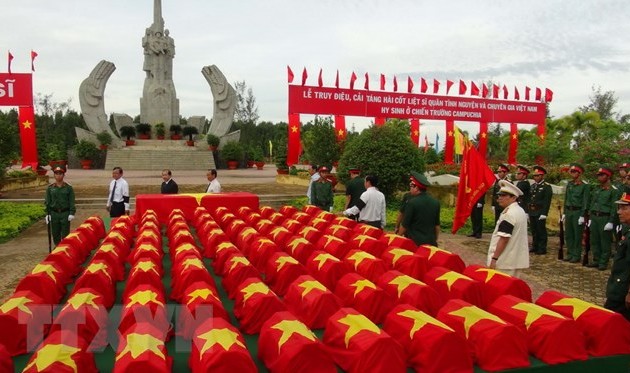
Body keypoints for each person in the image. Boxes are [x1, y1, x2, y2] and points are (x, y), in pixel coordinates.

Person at [487, 180, 529, 278]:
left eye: (504, 196)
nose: (499, 198)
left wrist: (494, 259)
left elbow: (504, 239)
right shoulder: (519, 210)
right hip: (514, 260)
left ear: (514, 197)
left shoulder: (509, 214)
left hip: (504, 261)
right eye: (499, 195)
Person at [587, 167, 620, 270]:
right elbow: (593, 202)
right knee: (594, 240)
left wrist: (611, 221)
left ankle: (603, 262)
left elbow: (614, 207)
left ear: (608, 176)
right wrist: (590, 216)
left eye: (602, 175)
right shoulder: (597, 188)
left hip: (604, 218)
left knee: (604, 241)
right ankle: (596, 260)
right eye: (598, 175)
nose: (599, 177)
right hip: (595, 216)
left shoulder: (613, 190)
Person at [604, 192, 630, 320]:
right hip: (618, 288)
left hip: (623, 293)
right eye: (619, 208)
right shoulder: (627, 230)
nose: (619, 212)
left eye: (624, 208)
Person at [399, 171, 440, 246]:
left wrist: (397, 238)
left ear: (416, 188)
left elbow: (405, 225)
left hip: (415, 243)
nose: (410, 189)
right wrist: (435, 239)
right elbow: (437, 225)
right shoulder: (435, 202)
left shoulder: (412, 203)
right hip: (431, 242)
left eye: (411, 187)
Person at [562, 163, 589, 263]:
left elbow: (585, 201)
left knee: (577, 234)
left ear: (579, 173)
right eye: (571, 171)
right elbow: (566, 198)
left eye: (574, 172)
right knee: (569, 234)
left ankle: (576, 255)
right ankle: (570, 253)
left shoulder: (584, 185)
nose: (572, 174)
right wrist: (564, 212)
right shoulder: (570, 184)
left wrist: (582, 215)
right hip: (569, 210)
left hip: (578, 211)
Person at [45, 166, 76, 246]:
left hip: (65, 213)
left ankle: (65, 249)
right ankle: (58, 249)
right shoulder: (50, 188)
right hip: (54, 213)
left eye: (60, 174)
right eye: (56, 174)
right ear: (54, 175)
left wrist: (72, 212)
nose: (58, 175)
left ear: (63, 175)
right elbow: (47, 202)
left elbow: (71, 201)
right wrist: (47, 214)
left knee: (65, 234)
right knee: (55, 234)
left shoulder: (68, 188)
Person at [528, 166, 552, 255]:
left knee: (541, 230)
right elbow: (530, 199)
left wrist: (544, 213)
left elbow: (547, 201)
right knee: (534, 230)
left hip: (540, 211)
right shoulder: (533, 186)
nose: (536, 177)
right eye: (534, 176)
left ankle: (542, 247)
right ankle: (535, 246)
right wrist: (528, 211)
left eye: (538, 176)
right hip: (532, 211)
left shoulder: (546, 187)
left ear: (542, 176)